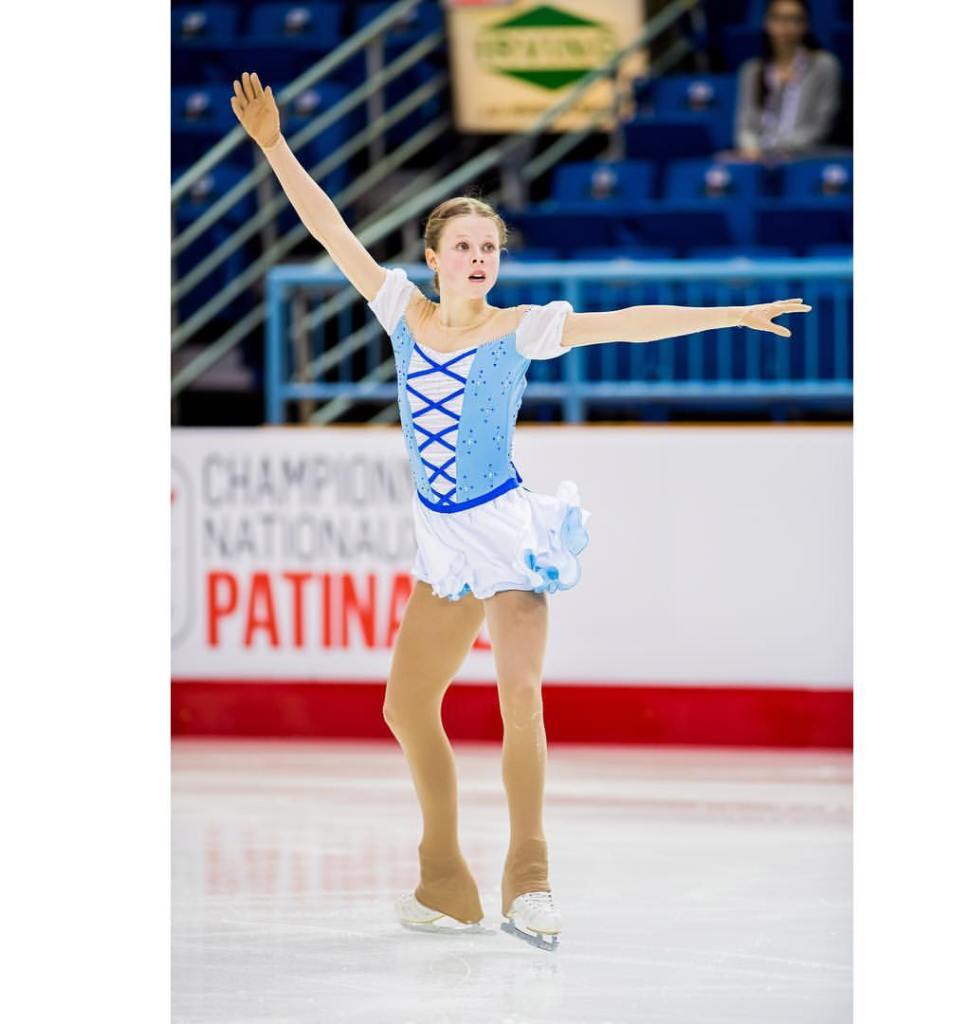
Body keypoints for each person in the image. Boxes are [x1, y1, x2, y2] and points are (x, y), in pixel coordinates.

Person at [231, 70, 810, 950]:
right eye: (463, 246)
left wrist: (729, 314)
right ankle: (443, 878)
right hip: (442, 541)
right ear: (433, 257)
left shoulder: (521, 328)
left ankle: (530, 880)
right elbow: (331, 229)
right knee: (406, 706)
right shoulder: (401, 313)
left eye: (489, 248)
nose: (478, 259)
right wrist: (275, 145)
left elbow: (625, 323)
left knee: (520, 697)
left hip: (506, 531)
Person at [722, 0, 842, 163]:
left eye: (794, 19)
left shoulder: (823, 65)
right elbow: (745, 125)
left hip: (805, 155)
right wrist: (750, 147)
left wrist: (776, 147)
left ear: (805, 25)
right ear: (766, 23)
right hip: (757, 157)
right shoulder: (751, 70)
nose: (786, 26)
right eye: (778, 18)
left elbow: (821, 125)